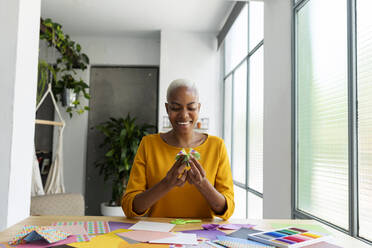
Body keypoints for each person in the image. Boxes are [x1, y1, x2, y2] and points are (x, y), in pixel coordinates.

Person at [121, 79, 234, 220]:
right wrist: (167, 184)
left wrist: (203, 184)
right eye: (176, 108)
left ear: (198, 108)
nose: (184, 115)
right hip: (156, 234)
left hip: (202, 235)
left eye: (191, 108)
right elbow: (130, 207)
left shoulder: (217, 146)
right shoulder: (149, 144)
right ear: (167, 108)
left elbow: (227, 209)